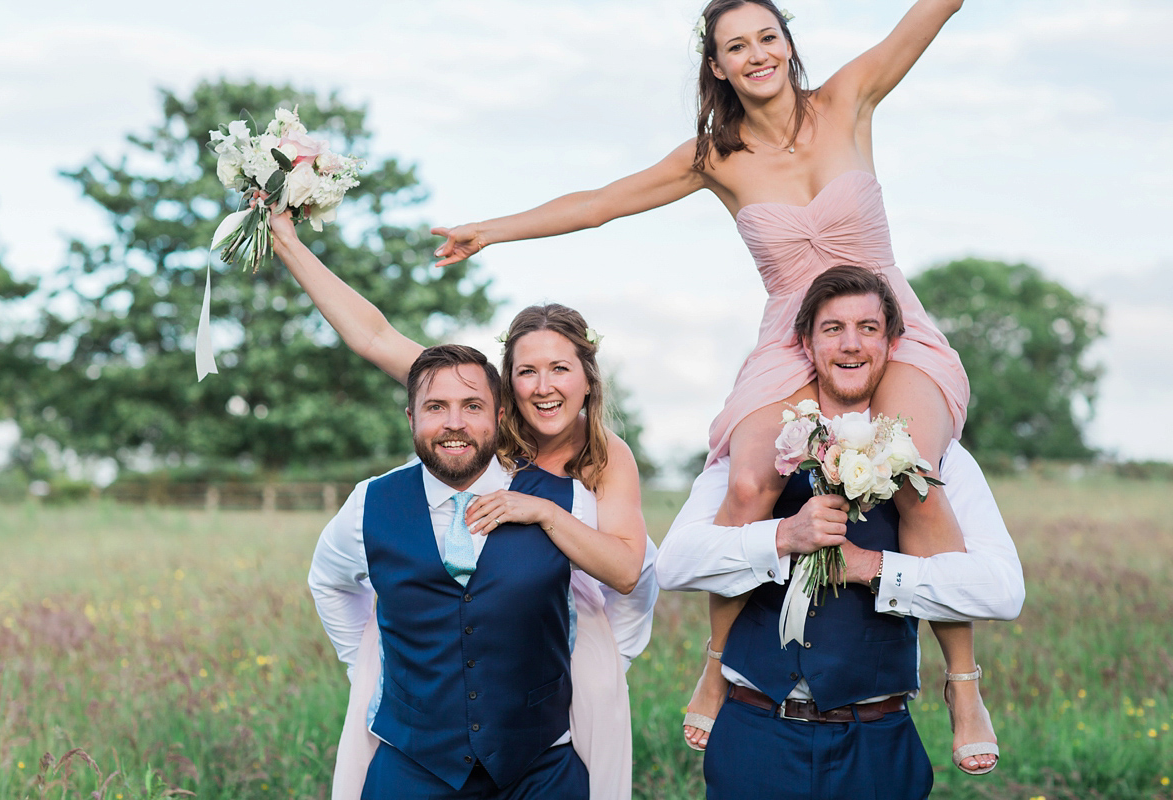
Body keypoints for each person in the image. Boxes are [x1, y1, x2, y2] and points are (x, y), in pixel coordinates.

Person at [430, 0, 993, 771]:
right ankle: (719, 662)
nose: (757, 54)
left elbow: (934, 10)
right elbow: (601, 204)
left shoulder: (849, 97)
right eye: (737, 46)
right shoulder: (715, 156)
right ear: (717, 66)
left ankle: (963, 682)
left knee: (911, 471)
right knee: (751, 479)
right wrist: (492, 229)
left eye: (768, 37)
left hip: (882, 330)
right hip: (792, 342)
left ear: (787, 46)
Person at [269, 212, 657, 799]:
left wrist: (544, 514)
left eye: (559, 369)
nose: (542, 386)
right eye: (526, 371)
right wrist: (288, 244)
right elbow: (373, 336)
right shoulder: (474, 408)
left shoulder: (604, 454)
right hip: (435, 654)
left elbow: (630, 570)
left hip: (552, 650)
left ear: (587, 378)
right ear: (505, 389)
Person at [655, 266, 1025, 797]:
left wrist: (872, 568)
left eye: (868, 328)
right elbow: (675, 563)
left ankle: (964, 688)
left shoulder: (936, 453)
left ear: (891, 342)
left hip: (876, 743)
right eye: (833, 329)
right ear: (807, 342)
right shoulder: (760, 448)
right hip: (755, 735)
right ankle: (712, 670)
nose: (851, 344)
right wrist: (783, 536)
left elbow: (1002, 589)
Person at [309, 344, 643, 799]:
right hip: (410, 767)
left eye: (472, 406)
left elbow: (634, 582)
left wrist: (606, 663)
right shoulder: (369, 504)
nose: (454, 423)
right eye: (435, 407)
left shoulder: (568, 500)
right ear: (410, 418)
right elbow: (327, 582)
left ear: (501, 416)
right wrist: (361, 666)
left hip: (541, 767)